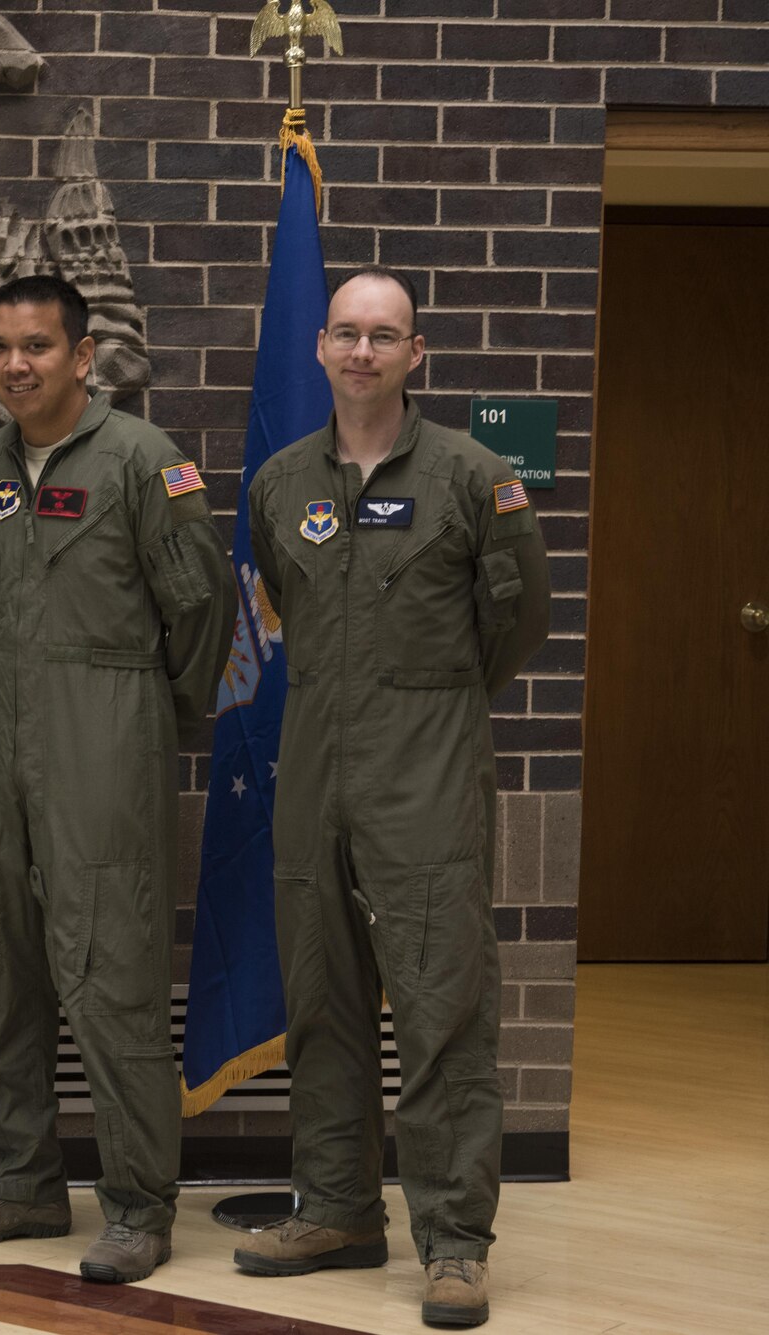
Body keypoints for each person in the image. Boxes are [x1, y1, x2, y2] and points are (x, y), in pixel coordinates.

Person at [234, 266, 549, 1329]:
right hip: (310, 768)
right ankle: (332, 1208)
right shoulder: (279, 483)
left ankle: (452, 1240)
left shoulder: (474, 478)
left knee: (440, 1011)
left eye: (384, 336)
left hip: (424, 773)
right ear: (318, 349)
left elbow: (514, 628)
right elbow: (280, 601)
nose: (361, 352)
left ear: (416, 355)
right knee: (319, 1000)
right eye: (345, 334)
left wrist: (423, 706)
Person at [0, 274, 233, 1283]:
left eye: (36, 347)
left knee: (110, 974)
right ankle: (18, 1183)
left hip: (106, 730)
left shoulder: (142, 461)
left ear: (80, 354)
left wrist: (147, 718)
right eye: (0, 347)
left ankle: (139, 1205)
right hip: (1, 729)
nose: (15, 365)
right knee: (2, 967)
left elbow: (200, 616)